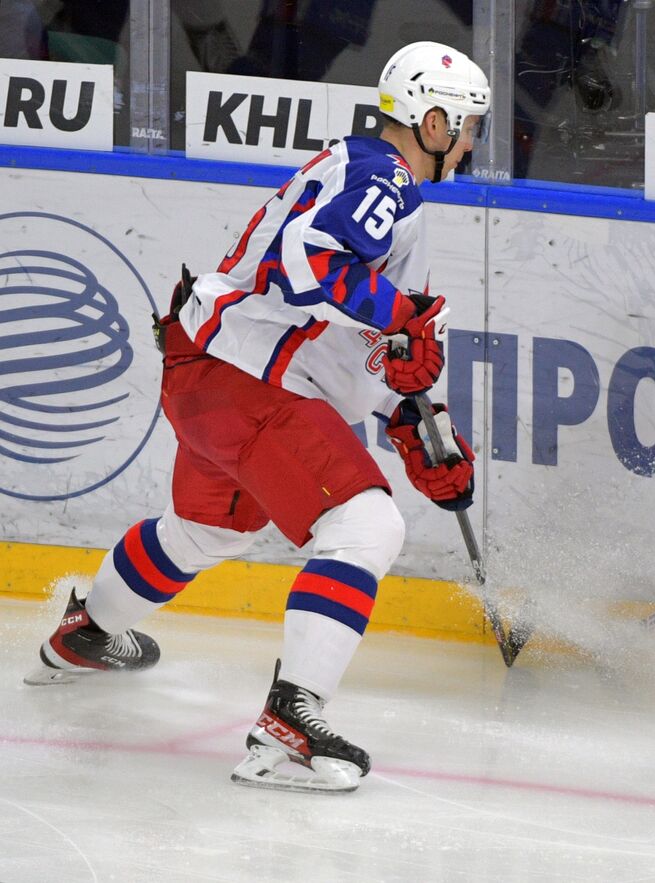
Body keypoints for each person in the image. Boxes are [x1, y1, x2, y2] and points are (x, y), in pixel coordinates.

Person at [23, 41, 490, 793]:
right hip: (250, 378)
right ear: (431, 122)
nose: (471, 143)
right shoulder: (389, 179)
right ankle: (291, 723)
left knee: (209, 529)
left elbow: (356, 318)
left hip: (208, 373)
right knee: (368, 526)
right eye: (466, 125)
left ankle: (85, 634)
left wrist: (415, 417)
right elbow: (308, 265)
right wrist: (403, 319)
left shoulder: (364, 172)